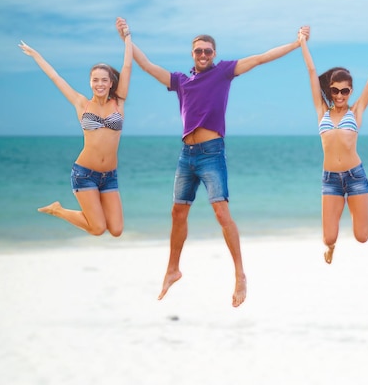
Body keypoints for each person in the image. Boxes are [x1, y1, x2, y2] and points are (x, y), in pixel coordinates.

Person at [116, 17, 310, 307]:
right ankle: (173, 269)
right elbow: (147, 65)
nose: (203, 55)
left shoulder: (223, 72)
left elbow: (260, 59)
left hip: (212, 153)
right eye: (198, 51)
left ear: (214, 54)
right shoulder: (181, 81)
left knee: (221, 212)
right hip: (186, 155)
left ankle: (240, 275)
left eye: (208, 50)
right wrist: (127, 38)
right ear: (192, 54)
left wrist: (297, 43)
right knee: (177, 213)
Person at [299, 28, 368, 264]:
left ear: (351, 91)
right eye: (335, 90)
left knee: (362, 237)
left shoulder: (356, 111)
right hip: (330, 179)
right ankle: (332, 247)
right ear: (330, 90)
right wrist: (302, 42)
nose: (340, 95)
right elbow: (311, 71)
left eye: (345, 90)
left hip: (355, 176)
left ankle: (356, 208)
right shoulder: (321, 111)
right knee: (328, 238)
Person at [18, 18, 133, 236]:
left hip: (109, 175)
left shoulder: (119, 102)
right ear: (90, 82)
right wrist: (36, 55)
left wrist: (127, 37)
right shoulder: (81, 103)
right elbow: (55, 77)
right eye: (95, 80)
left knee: (116, 230)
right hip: (84, 174)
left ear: (110, 83)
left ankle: (71, 211)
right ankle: (58, 210)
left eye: (104, 80)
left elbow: (127, 66)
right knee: (98, 228)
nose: (99, 84)